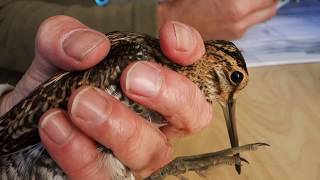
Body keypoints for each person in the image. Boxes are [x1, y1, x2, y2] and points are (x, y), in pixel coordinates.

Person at [0, 0, 278, 179]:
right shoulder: (139, 60)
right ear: (216, 63)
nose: (229, 103)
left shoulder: (162, 69)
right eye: (234, 78)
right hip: (18, 155)